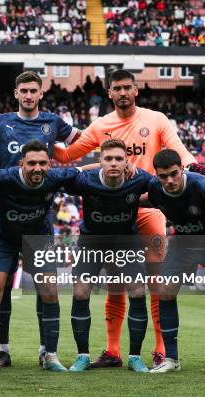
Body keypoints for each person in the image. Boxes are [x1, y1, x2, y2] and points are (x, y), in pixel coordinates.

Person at [53, 69, 204, 368]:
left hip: (148, 211)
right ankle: (113, 351)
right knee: (116, 285)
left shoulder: (156, 119)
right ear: (109, 92)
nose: (122, 93)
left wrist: (192, 165)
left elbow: (176, 148)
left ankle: (161, 350)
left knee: (156, 284)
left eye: (127, 87)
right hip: (114, 212)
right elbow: (68, 155)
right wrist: (43, 139)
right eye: (116, 88)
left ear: (136, 90)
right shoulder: (101, 126)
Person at [0, 71, 80, 367]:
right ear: (16, 93)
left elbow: (82, 142)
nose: (29, 95)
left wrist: (114, 151)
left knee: (48, 289)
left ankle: (48, 353)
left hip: (39, 224)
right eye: (24, 91)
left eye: (34, 90)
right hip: (5, 221)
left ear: (40, 94)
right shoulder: (0, 122)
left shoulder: (53, 123)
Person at [0, 140, 92, 373]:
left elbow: (84, 170)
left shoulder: (54, 177)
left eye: (43, 163)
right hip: (4, 238)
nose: (38, 168)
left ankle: (49, 355)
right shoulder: (3, 178)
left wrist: (120, 166)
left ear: (50, 164)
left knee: (50, 291)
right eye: (32, 163)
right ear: (21, 163)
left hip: (38, 238)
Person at [64, 139, 152, 373]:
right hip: (91, 242)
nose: (113, 163)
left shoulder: (139, 179)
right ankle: (83, 356)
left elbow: (162, 190)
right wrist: (85, 167)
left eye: (119, 159)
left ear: (127, 162)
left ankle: (135, 357)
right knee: (81, 291)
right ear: (100, 161)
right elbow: (61, 176)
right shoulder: (86, 180)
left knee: (137, 290)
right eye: (108, 159)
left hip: (126, 242)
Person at [147, 149, 205, 376]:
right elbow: (138, 200)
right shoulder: (155, 189)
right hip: (183, 243)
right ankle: (171, 358)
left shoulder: (204, 187)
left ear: (182, 169)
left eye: (174, 174)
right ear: (156, 175)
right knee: (165, 291)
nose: (169, 180)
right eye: (163, 176)